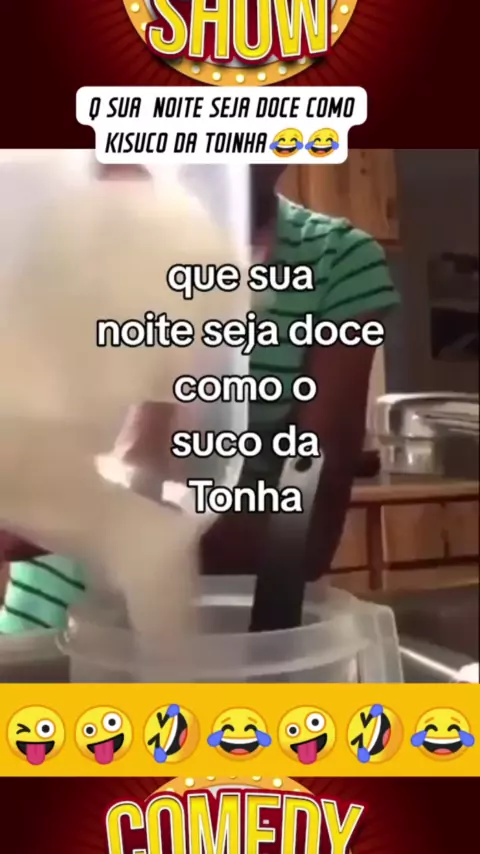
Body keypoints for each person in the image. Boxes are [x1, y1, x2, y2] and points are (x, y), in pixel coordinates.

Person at [0, 163, 400, 632]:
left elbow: (305, 541)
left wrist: (120, 515)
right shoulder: (61, 232)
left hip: (227, 638)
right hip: (43, 633)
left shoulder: (335, 259)